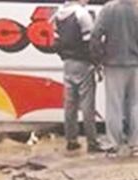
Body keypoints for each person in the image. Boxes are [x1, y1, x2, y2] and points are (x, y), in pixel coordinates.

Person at [91, 0, 138, 157]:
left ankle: (114, 144)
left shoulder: (108, 9)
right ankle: (137, 144)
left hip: (113, 64)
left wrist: (99, 57)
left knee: (114, 105)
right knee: (137, 105)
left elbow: (95, 35)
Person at [53, 0, 103, 153]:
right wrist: (96, 63)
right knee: (87, 105)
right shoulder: (82, 14)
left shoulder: (58, 14)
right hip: (83, 63)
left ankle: (71, 140)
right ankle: (92, 142)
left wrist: (65, 57)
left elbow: (56, 43)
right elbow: (90, 43)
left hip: (68, 63)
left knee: (70, 104)